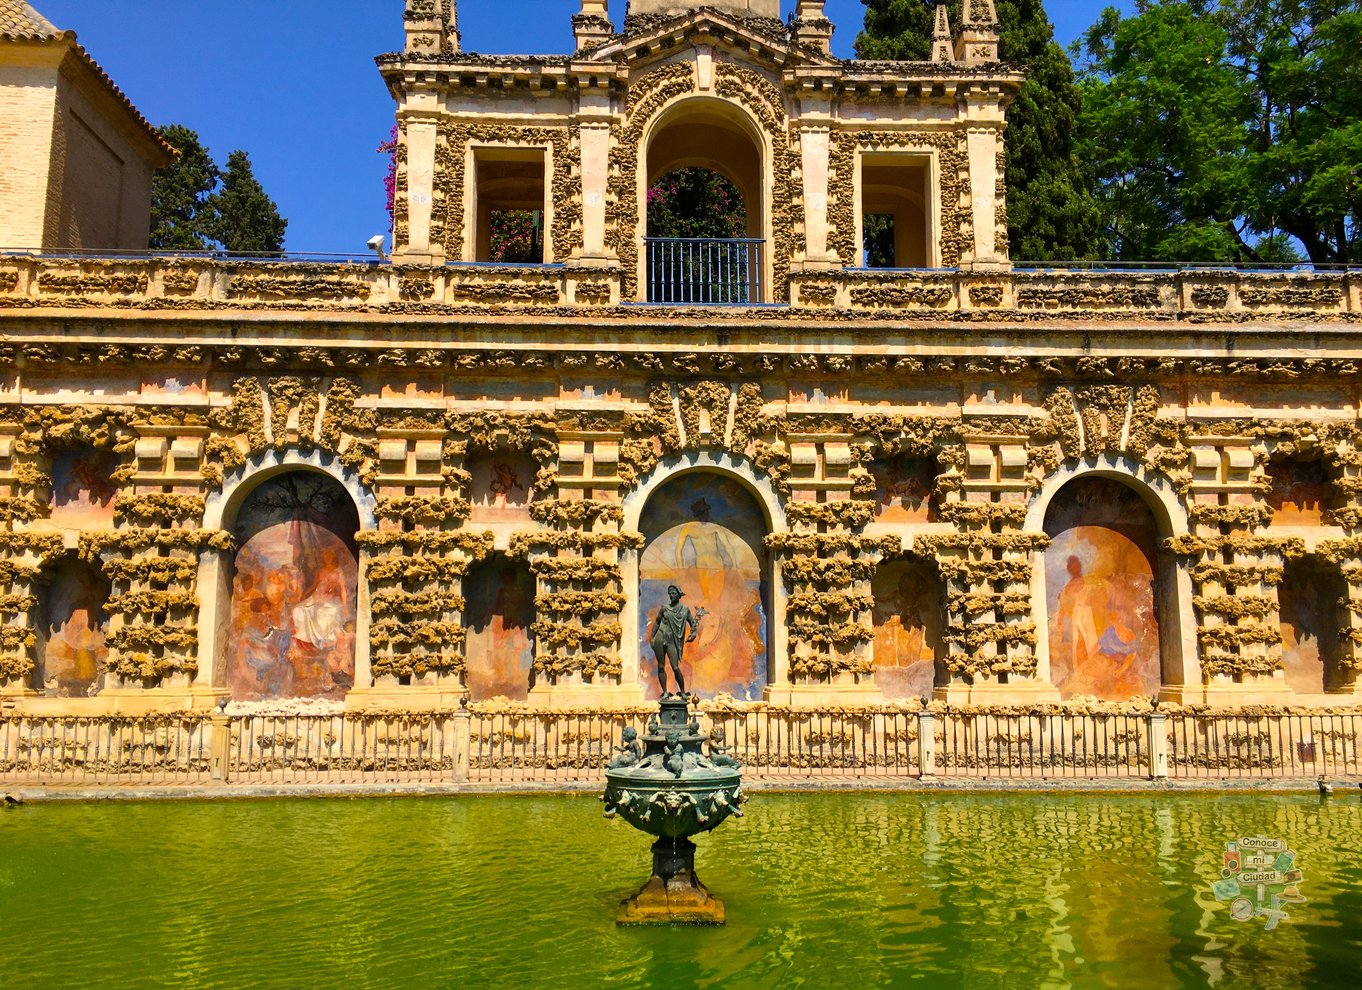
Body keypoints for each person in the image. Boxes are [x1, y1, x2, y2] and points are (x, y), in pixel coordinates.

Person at [648, 584, 697, 697]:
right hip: (660, 638)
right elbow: (657, 622)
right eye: (670, 593)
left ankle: (683, 692)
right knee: (661, 666)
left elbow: (692, 623)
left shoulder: (685, 609)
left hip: (672, 641)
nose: (671, 596)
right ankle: (665, 692)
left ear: (679, 595)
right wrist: (652, 637)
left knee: (675, 667)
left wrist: (693, 633)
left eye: (674, 593)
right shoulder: (665, 608)